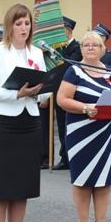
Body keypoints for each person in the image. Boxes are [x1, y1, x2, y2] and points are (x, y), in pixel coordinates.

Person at [0, 3, 48, 222]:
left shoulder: (37, 53)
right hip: (2, 123)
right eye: (19, 23)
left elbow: (46, 87)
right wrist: (17, 93)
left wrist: (43, 91)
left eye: (27, 23)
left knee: (22, 187)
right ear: (9, 26)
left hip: (29, 122)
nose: (24, 27)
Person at [58, 30, 111, 222]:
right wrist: (85, 108)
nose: (90, 48)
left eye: (95, 45)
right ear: (81, 49)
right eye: (86, 44)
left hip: (105, 132)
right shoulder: (74, 71)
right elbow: (62, 99)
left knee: (103, 181)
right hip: (80, 132)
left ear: (103, 49)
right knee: (83, 180)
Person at [40, 15, 81, 170]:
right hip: (57, 91)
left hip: (70, 93)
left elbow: (67, 65)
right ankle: (64, 158)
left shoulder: (76, 47)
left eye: (61, 31)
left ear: (68, 31)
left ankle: (71, 157)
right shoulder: (57, 49)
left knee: (69, 126)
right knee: (62, 127)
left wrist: (53, 54)